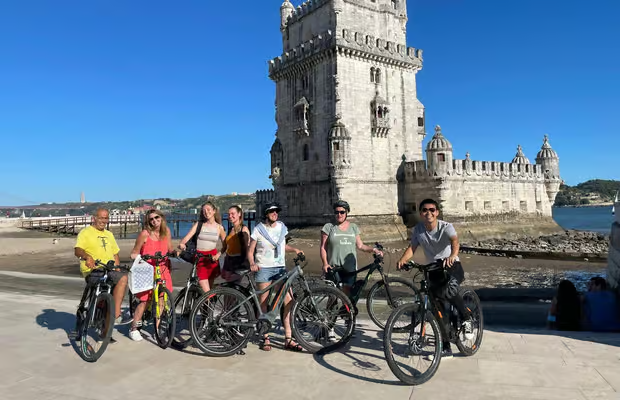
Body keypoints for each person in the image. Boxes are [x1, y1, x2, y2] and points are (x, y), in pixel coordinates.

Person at [396, 198, 473, 359]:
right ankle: (446, 348)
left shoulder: (446, 227)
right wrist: (403, 259)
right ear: (421, 213)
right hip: (433, 270)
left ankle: (467, 317)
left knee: (450, 290)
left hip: (452, 266)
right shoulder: (418, 229)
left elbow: (455, 241)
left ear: (437, 212)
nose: (428, 213)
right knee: (437, 309)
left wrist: (452, 256)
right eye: (425, 210)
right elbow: (412, 248)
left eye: (432, 210)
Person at [247, 202, 303, 352]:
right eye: (272, 212)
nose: (275, 214)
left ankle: (288, 338)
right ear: (266, 214)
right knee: (263, 304)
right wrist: (252, 263)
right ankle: (265, 337)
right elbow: (250, 250)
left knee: (288, 301)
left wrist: (295, 249)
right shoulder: (258, 229)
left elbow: (282, 246)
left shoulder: (282, 228)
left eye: (276, 211)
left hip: (279, 268)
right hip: (264, 268)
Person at [74, 208, 128, 342]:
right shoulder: (85, 232)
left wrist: (116, 268)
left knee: (123, 278)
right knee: (101, 286)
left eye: (106, 218)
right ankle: (98, 313)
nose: (103, 221)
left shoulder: (109, 234)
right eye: (101, 218)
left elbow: (115, 253)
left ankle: (114, 314)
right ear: (94, 218)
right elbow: (77, 250)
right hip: (93, 269)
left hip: (109, 268)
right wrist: (87, 257)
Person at [128, 209, 175, 341]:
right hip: (147, 269)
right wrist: (137, 257)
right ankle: (134, 328)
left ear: (162, 218)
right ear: (148, 222)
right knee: (145, 300)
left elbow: (170, 247)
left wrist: (176, 252)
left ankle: (158, 328)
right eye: (151, 219)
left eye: (156, 217)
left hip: (163, 268)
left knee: (161, 298)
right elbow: (134, 251)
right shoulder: (145, 234)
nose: (154, 221)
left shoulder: (167, 232)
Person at [320, 200, 382, 295]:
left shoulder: (353, 227)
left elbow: (360, 245)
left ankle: (345, 310)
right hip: (333, 267)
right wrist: (325, 264)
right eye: (336, 212)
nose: (339, 214)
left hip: (350, 268)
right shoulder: (328, 227)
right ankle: (329, 310)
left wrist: (374, 250)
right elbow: (323, 247)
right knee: (333, 296)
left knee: (347, 295)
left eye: (342, 212)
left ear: (346, 213)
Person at [179, 202, 226, 293]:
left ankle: (207, 307)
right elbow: (186, 238)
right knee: (206, 292)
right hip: (200, 258)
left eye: (208, 210)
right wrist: (182, 244)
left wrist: (218, 255)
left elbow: (225, 246)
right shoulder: (199, 225)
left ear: (214, 211)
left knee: (210, 290)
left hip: (212, 258)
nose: (206, 212)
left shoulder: (219, 227)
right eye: (204, 211)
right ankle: (207, 303)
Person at [221, 205, 250, 282]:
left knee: (233, 288)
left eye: (232, 214)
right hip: (229, 260)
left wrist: (244, 265)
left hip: (238, 262)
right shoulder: (231, 229)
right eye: (229, 214)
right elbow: (228, 247)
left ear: (239, 214)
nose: (230, 216)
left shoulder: (244, 229)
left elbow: (246, 249)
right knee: (228, 288)